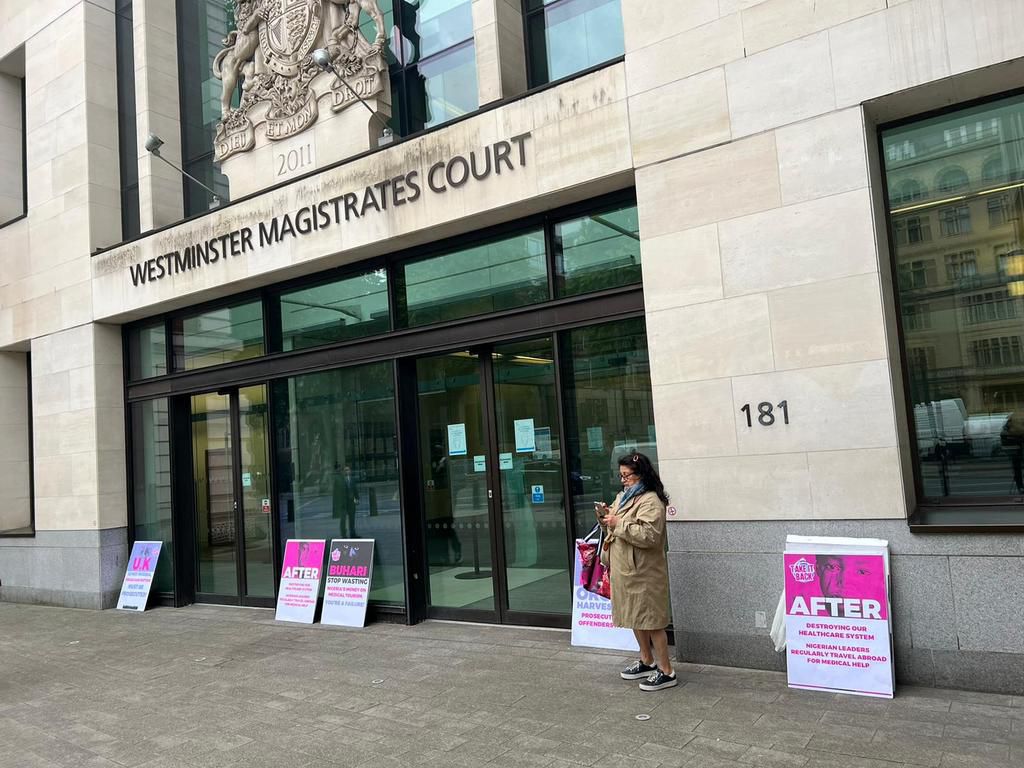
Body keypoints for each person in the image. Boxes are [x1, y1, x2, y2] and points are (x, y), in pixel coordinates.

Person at [596, 453, 675, 692]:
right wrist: (605, 517)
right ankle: (647, 660)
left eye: (627, 475)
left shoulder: (651, 500)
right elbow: (616, 524)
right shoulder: (624, 496)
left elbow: (650, 536)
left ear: (641, 474)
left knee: (652, 620)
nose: (623, 480)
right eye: (620, 475)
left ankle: (666, 670)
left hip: (644, 570)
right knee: (634, 616)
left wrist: (617, 523)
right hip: (625, 568)